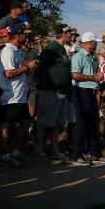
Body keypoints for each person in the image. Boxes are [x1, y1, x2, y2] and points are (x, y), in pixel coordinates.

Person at [0, 22, 37, 167]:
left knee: (26, 122)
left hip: (19, 95)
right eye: (24, 34)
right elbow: (8, 73)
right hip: (9, 95)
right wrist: (27, 67)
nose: (27, 37)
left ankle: (13, 150)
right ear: (17, 35)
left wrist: (28, 64)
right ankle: (6, 153)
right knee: (6, 124)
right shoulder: (8, 51)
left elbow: (16, 67)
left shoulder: (17, 51)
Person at [35, 24, 73, 160]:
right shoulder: (52, 47)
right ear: (63, 33)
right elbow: (39, 64)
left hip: (61, 91)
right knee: (44, 120)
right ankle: (40, 149)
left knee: (57, 122)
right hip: (49, 90)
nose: (71, 35)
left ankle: (54, 150)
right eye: (69, 32)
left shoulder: (62, 49)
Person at [70, 32, 105, 165]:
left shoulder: (92, 57)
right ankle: (77, 155)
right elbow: (74, 75)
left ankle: (95, 154)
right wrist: (94, 78)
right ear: (89, 42)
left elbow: (92, 75)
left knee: (93, 123)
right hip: (81, 91)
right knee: (82, 123)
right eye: (95, 41)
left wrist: (97, 77)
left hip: (90, 92)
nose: (97, 43)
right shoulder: (78, 56)